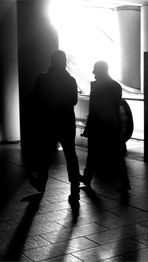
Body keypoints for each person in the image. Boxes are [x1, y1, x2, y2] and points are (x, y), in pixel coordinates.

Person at [30, 50, 81, 203]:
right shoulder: (70, 80)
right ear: (64, 62)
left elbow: (35, 99)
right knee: (70, 154)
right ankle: (75, 188)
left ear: (52, 62)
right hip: (66, 121)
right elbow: (73, 101)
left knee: (45, 153)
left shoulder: (43, 79)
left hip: (49, 121)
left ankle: (41, 181)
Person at [81, 61, 130, 195]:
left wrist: (89, 127)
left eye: (95, 69)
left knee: (92, 154)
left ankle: (87, 178)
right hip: (112, 126)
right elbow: (114, 107)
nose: (93, 72)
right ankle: (124, 181)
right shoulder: (115, 86)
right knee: (116, 155)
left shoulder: (98, 87)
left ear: (101, 70)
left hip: (98, 126)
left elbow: (95, 110)